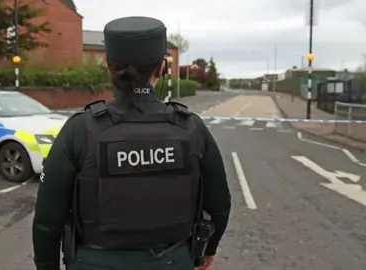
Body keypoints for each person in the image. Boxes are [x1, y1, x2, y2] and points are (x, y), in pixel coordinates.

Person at [32, 16, 231, 270]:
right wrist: (207, 251)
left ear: (109, 67)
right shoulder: (191, 127)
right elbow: (220, 206)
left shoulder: (80, 129)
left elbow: (47, 220)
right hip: (173, 261)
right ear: (161, 67)